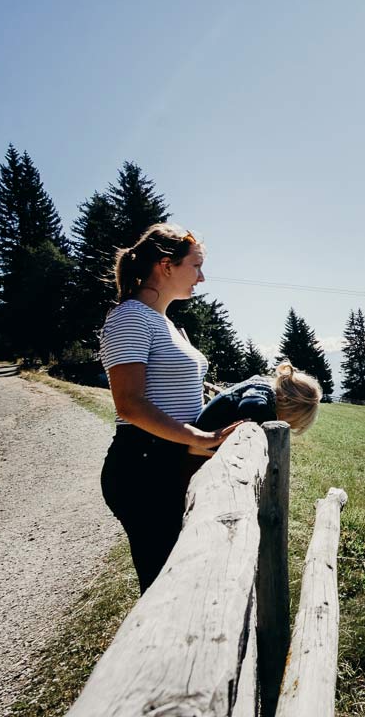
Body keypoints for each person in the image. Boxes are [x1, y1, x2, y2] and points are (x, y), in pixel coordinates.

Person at [99, 223, 243, 593]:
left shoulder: (170, 325)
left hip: (169, 461)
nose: (202, 277)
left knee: (184, 574)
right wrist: (200, 435)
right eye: (195, 266)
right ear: (166, 265)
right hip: (143, 466)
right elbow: (129, 404)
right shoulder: (130, 316)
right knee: (165, 586)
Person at [195, 361, 323, 434]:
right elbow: (250, 406)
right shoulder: (262, 391)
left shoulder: (260, 385)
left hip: (202, 436)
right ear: (286, 403)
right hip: (198, 446)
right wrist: (270, 422)